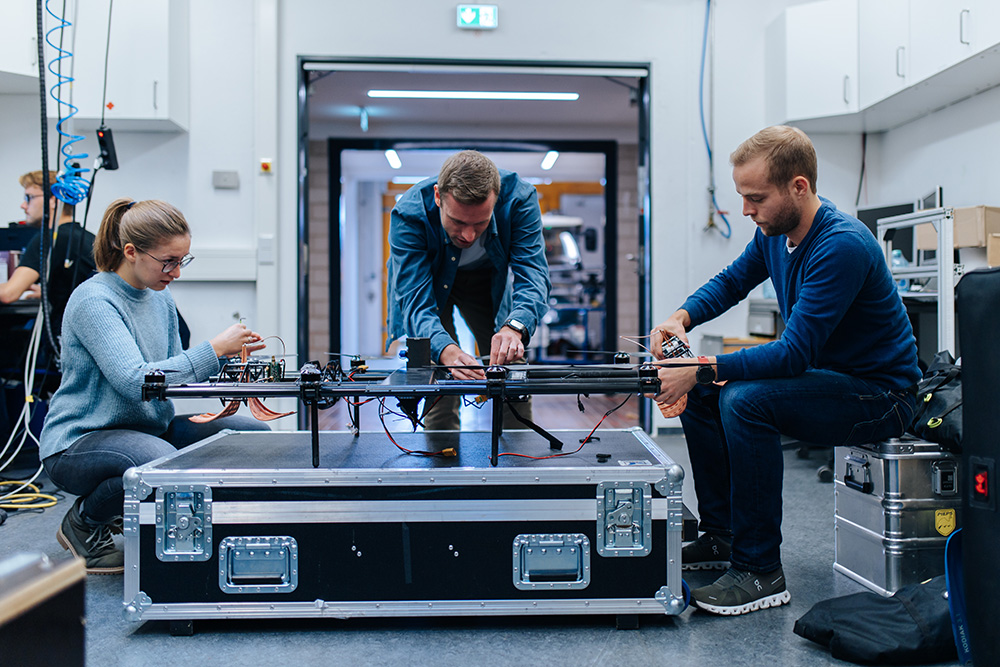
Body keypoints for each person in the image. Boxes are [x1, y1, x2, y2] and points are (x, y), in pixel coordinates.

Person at [648, 126, 920, 616]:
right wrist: (680, 317)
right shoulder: (775, 234)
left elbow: (793, 354)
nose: (747, 210)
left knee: (742, 399)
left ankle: (759, 571)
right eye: (743, 198)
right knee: (712, 394)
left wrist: (702, 367)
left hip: (881, 398)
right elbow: (732, 282)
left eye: (756, 198)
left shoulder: (842, 245)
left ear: (799, 186)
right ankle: (724, 537)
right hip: (831, 382)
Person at [39, 198, 271, 574]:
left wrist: (231, 362)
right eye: (169, 261)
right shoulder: (94, 300)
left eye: (183, 260)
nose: (177, 272)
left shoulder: (159, 299)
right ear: (131, 252)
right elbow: (136, 381)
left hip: (148, 429)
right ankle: (84, 522)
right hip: (78, 442)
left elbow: (174, 375)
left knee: (251, 436)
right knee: (157, 459)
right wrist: (212, 349)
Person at [386, 150, 551, 430]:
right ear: (438, 196)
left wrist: (515, 327)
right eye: (458, 222)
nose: (469, 235)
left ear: (496, 199)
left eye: (481, 223)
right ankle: (441, 459)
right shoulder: (409, 214)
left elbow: (533, 274)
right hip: (428, 284)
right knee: (439, 369)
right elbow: (415, 300)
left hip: (485, 283)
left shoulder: (519, 199)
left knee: (510, 361)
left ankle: (519, 461)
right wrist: (446, 351)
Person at [0, 171, 97, 337]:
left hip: (66, 336)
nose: (23, 205)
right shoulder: (85, 236)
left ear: (54, 200)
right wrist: (50, 290)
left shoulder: (50, 238)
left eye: (29, 197)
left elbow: (8, 294)